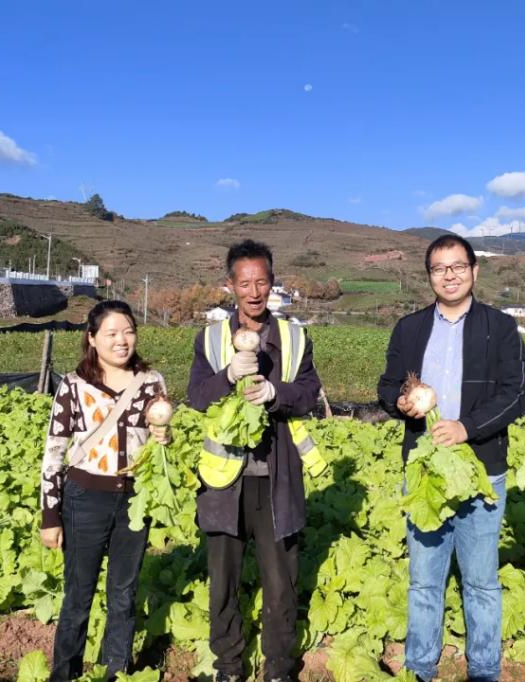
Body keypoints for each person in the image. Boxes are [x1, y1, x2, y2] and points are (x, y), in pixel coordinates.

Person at [377, 234, 525, 682]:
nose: (449, 275)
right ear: (429, 276)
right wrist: (399, 402)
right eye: (439, 268)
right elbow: (387, 384)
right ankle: (420, 668)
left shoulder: (500, 327)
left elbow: (515, 394)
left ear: (474, 271)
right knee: (425, 580)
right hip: (425, 471)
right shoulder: (409, 328)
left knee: (481, 581)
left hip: (481, 469)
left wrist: (468, 427)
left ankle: (484, 671)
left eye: (458, 266)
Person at [188, 239, 324, 682]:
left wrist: (274, 393)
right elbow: (197, 397)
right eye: (244, 283)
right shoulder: (211, 338)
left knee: (281, 581)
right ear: (230, 285)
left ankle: (278, 668)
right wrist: (228, 376)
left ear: (272, 283)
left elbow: (309, 394)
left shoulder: (294, 338)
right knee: (223, 581)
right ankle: (228, 665)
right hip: (224, 479)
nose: (254, 292)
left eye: (261, 282)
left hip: (277, 477)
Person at [40, 300, 171, 681]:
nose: (121, 341)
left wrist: (165, 436)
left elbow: (161, 441)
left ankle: (116, 671)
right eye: (111, 333)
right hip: (84, 498)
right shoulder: (74, 385)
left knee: (123, 595)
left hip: (134, 501)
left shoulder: (151, 382)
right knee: (78, 596)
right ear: (92, 338)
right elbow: (54, 452)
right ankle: (63, 674)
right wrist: (50, 515)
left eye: (128, 332)